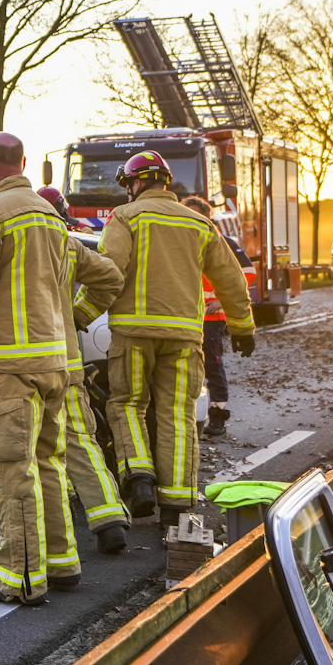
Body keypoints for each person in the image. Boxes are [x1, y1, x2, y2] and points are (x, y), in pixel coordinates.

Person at [0, 133, 117, 606]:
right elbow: (109, 277)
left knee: (12, 469)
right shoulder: (51, 217)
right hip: (55, 365)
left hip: (5, 366)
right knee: (48, 463)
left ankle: (18, 577)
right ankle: (61, 564)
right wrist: (76, 317)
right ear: (22, 163)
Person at [100, 152, 255, 527]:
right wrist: (242, 327)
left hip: (133, 333)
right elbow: (231, 279)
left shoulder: (125, 217)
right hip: (185, 337)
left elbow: (108, 273)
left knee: (127, 404)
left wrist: (78, 315)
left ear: (135, 183)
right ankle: (176, 507)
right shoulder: (200, 224)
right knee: (177, 415)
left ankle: (138, 477)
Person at [182, 195, 253, 438]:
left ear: (208, 217)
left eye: (196, 214)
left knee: (212, 363)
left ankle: (218, 414)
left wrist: (221, 301)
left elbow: (247, 273)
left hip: (211, 317)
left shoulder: (223, 241)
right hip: (186, 316)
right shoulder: (181, 241)